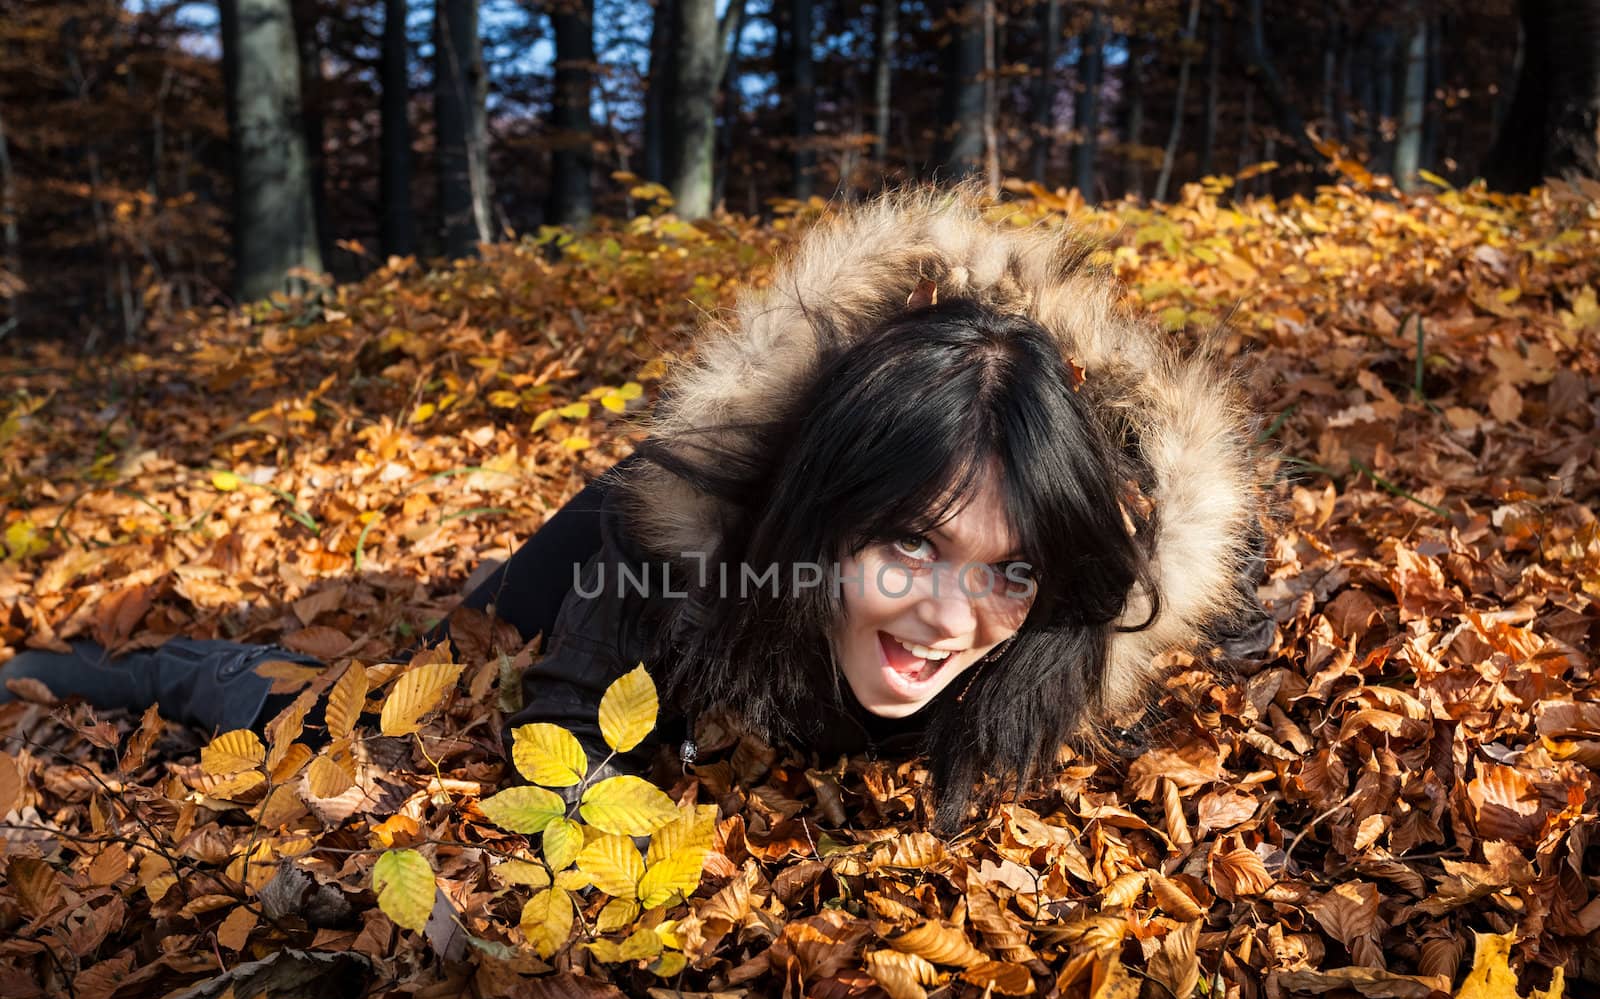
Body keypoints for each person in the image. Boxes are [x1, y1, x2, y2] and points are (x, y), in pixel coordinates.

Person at [0, 182, 1267, 832]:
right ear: (822, 511)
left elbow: (1227, 584)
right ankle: (117, 668)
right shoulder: (677, 552)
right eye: (906, 544)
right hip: (589, 567)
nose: (948, 615)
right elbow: (561, 742)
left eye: (1005, 567)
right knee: (390, 696)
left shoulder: (1075, 609)